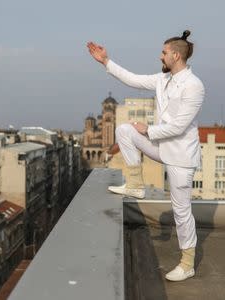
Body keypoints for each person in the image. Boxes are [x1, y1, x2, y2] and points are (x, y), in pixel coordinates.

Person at [87, 30, 205, 282]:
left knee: (181, 211)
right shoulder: (163, 80)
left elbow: (178, 127)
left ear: (175, 55)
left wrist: (148, 129)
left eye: (163, 53)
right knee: (124, 130)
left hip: (181, 156)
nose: (159, 56)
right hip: (162, 146)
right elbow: (133, 79)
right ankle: (135, 184)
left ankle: (187, 263)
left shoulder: (194, 86)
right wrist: (106, 61)